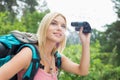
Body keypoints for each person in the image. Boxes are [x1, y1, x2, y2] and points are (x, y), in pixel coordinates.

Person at [0, 12, 91, 80]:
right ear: (44, 27)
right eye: (53, 23)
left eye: (63, 26)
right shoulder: (29, 54)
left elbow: (82, 71)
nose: (59, 28)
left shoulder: (56, 58)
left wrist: (85, 42)